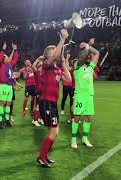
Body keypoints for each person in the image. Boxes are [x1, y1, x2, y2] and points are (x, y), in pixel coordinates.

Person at [37, 29, 71, 168]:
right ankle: (41, 157)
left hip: (52, 103)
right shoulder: (46, 64)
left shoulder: (57, 68)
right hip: (46, 102)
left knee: (55, 131)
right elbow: (56, 54)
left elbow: (68, 78)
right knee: (54, 131)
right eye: (53, 50)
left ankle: (44, 155)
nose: (56, 52)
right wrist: (62, 40)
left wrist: (63, 63)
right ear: (47, 55)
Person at [71, 40, 100, 149]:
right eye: (87, 55)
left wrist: (88, 47)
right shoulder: (76, 65)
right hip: (80, 96)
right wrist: (87, 49)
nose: (89, 57)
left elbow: (97, 53)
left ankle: (85, 138)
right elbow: (83, 58)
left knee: (88, 117)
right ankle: (73, 139)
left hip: (89, 96)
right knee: (77, 118)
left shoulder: (91, 66)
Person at [0, 42, 19, 129]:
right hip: (4, 86)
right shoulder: (1, 65)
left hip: (10, 86)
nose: (7, 58)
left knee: (8, 104)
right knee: (2, 104)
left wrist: (15, 50)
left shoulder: (9, 65)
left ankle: (6, 119)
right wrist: (3, 49)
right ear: (3, 59)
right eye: (6, 57)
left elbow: (15, 58)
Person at [60, 53, 75, 124]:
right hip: (65, 86)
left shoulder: (72, 69)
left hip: (71, 86)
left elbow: (68, 66)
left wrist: (67, 58)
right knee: (64, 98)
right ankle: (62, 109)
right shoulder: (63, 71)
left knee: (72, 99)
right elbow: (66, 66)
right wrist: (67, 58)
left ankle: (71, 114)